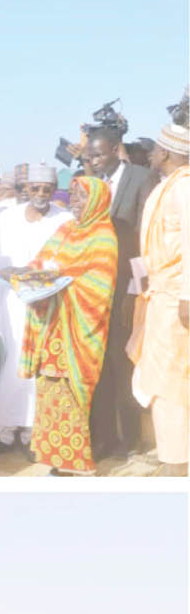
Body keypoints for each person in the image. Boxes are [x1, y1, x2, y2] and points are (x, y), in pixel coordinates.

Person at [15, 175, 118, 474]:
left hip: (77, 332)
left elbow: (100, 287)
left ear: (97, 201)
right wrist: (28, 275)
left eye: (81, 196)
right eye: (72, 195)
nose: (74, 201)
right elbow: (41, 260)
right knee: (48, 388)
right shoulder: (65, 229)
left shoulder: (103, 236)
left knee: (71, 393)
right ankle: (52, 458)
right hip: (50, 327)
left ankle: (75, 463)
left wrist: (61, 281)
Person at [0, 163, 72, 453]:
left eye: (47, 188)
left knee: (40, 368)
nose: (41, 194)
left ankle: (34, 429)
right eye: (35, 188)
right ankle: (4, 427)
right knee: (11, 365)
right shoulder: (5, 219)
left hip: (47, 305)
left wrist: (34, 273)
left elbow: (65, 263)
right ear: (25, 189)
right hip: (11, 305)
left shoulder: (64, 221)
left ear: (54, 188)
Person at [86, 124, 156, 458]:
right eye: (90, 155)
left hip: (126, 287)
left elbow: (145, 235)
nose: (94, 160)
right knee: (97, 366)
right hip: (93, 293)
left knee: (121, 360)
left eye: (98, 154)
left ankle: (130, 438)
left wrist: (135, 290)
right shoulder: (89, 184)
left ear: (116, 149)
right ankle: (103, 437)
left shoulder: (141, 178)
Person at [126, 118, 189, 475]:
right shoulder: (167, 186)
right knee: (162, 380)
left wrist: (186, 297)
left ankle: (176, 463)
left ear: (165, 152)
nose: (149, 153)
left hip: (175, 303)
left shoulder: (184, 189)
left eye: (154, 149)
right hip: (158, 297)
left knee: (171, 383)